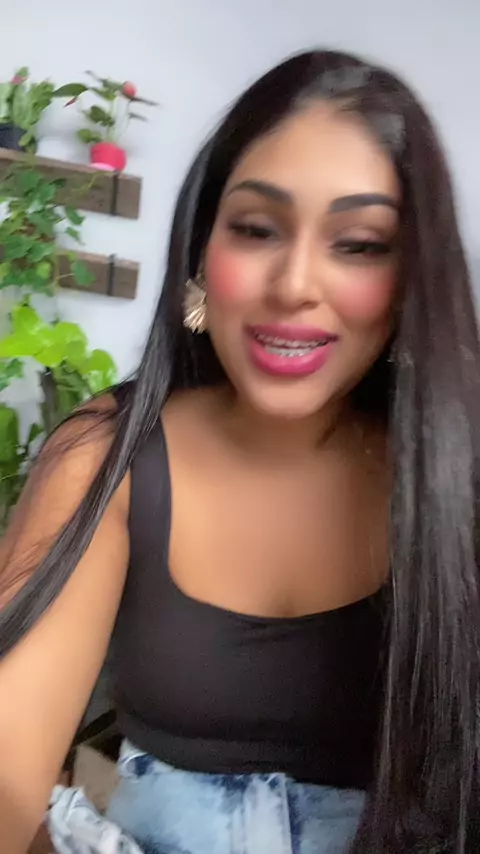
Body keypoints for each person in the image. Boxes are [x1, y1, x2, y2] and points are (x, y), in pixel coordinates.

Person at [0, 48, 479, 854]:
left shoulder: (458, 483)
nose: (294, 284)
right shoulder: (109, 457)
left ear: (409, 283)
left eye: (359, 243)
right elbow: (11, 771)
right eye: (256, 230)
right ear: (201, 249)